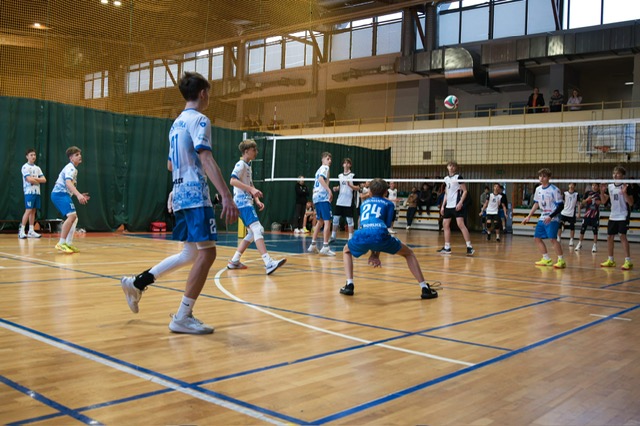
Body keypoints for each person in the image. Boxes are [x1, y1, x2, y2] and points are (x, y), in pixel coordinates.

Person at [120, 72, 239, 335]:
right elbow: (205, 159)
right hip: (195, 194)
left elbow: (170, 164)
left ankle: (137, 283)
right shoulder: (200, 120)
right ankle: (183, 316)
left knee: (190, 254)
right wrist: (226, 196)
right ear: (203, 93)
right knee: (208, 254)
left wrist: (177, 188)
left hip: (180, 192)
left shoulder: (175, 124)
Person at [339, 178, 438, 300]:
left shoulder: (364, 204)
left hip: (362, 233)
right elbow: (382, 229)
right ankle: (424, 288)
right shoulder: (389, 204)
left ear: (370, 192)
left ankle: (349, 285)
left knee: (346, 251)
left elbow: (368, 228)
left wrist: (374, 254)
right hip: (379, 234)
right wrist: (376, 255)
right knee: (409, 253)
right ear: (386, 192)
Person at [227, 139, 287, 274]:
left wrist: (257, 199)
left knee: (252, 233)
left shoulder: (248, 166)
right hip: (242, 203)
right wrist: (251, 190)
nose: (256, 152)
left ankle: (234, 261)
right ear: (246, 151)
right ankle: (268, 262)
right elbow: (232, 181)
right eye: (254, 150)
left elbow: (250, 184)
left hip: (246, 202)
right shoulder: (240, 165)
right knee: (257, 229)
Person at [522, 168, 565, 268]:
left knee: (553, 239)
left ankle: (561, 260)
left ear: (549, 178)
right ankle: (546, 259)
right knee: (537, 238)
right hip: (543, 217)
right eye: (540, 176)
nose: (541, 178)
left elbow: (561, 206)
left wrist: (551, 216)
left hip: (553, 218)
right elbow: (536, 203)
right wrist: (528, 216)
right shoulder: (538, 189)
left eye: (544, 176)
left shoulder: (554, 190)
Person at [50, 146, 89, 254]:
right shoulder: (70, 168)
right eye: (76, 155)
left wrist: (79, 194)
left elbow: (70, 185)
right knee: (72, 216)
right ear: (71, 158)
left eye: (80, 154)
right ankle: (61, 243)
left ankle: (68, 243)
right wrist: (78, 195)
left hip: (63, 194)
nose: (80, 156)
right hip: (59, 194)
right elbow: (68, 183)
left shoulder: (73, 169)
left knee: (74, 218)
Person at [600, 166, 633, 270]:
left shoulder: (627, 186)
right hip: (613, 215)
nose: (615, 175)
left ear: (622, 175)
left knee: (622, 236)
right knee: (609, 237)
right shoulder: (610, 186)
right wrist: (602, 192)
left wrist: (624, 193)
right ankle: (611, 260)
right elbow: (603, 201)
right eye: (614, 173)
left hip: (623, 215)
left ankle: (628, 261)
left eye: (618, 173)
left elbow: (631, 203)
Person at [438, 161, 474, 256]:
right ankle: (447, 247)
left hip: (456, 204)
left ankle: (469, 247)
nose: (451, 167)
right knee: (445, 224)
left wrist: (460, 202)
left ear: (456, 168)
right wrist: (443, 206)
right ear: (447, 167)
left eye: (453, 166)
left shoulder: (458, 177)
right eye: (450, 166)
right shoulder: (446, 179)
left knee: (460, 224)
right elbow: (446, 193)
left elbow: (465, 191)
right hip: (448, 205)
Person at [307, 152, 335, 256]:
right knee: (327, 221)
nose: (330, 161)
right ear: (322, 159)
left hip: (316, 197)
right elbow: (320, 179)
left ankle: (313, 245)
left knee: (320, 221)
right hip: (322, 197)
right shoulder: (325, 168)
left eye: (330, 159)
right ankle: (325, 247)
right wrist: (329, 190)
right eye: (328, 158)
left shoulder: (318, 169)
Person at [19, 148, 46, 239]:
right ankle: (22, 231)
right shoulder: (25, 167)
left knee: (33, 211)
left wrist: (34, 179)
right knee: (28, 210)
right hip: (29, 192)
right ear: (27, 156)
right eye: (31, 155)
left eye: (34, 155)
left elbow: (44, 180)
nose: (33, 156)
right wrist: (37, 180)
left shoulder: (37, 168)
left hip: (37, 192)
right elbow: (28, 179)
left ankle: (31, 231)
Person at [330, 158, 359, 241]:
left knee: (349, 220)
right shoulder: (340, 176)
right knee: (335, 219)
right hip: (340, 201)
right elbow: (340, 186)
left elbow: (357, 188)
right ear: (342, 165)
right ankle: (333, 236)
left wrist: (350, 186)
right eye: (344, 163)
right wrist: (336, 188)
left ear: (350, 165)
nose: (346, 164)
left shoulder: (353, 175)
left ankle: (350, 238)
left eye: (348, 163)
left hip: (348, 201)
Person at [574, 183, 601, 253]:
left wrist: (596, 201)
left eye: (596, 185)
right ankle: (579, 243)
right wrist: (587, 199)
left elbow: (601, 202)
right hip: (587, 215)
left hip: (595, 215)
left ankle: (594, 245)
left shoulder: (599, 194)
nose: (594, 187)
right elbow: (582, 203)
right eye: (593, 185)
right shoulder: (588, 193)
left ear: (598, 187)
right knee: (582, 229)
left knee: (595, 231)